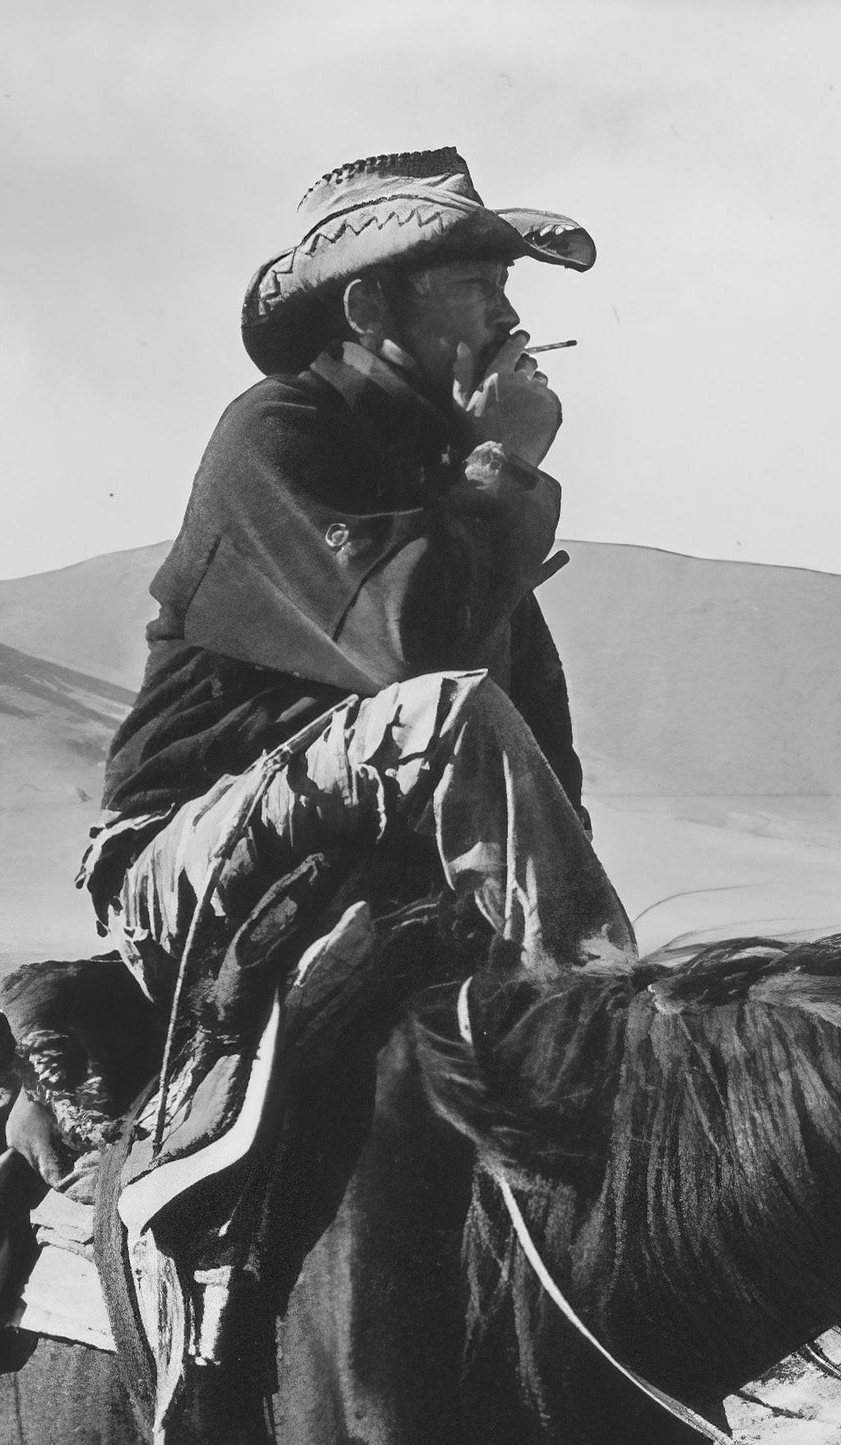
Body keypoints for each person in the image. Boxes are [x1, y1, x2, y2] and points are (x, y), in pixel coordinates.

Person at [75, 147, 637, 1033]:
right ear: (368, 305)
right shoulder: (279, 428)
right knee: (449, 710)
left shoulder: (441, 485)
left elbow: (542, 756)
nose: (508, 312)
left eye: (504, 283)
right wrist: (506, 464)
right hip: (178, 851)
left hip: (345, 825)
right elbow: (414, 659)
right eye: (471, 283)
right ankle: (599, 1027)